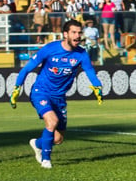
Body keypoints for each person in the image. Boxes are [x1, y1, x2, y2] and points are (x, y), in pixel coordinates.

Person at [10, 20, 103, 169]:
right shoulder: (50, 49)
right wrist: (17, 87)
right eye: (74, 32)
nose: (77, 36)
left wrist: (97, 87)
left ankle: (37, 143)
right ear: (65, 34)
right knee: (51, 121)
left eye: (79, 33)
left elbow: (90, 72)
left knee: (58, 138)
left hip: (59, 97)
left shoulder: (81, 54)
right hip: (41, 92)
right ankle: (46, 160)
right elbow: (27, 68)